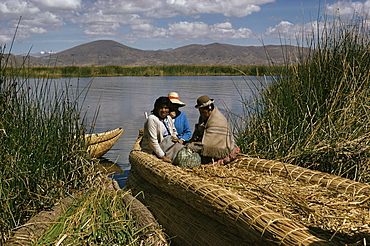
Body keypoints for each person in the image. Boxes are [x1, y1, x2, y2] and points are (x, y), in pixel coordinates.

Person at [188, 95, 239, 165]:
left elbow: (211, 145)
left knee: (192, 148)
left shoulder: (218, 120)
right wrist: (196, 137)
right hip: (204, 143)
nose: (201, 114)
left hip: (221, 149)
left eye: (203, 112)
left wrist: (194, 145)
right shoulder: (203, 117)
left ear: (209, 109)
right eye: (200, 111)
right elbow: (199, 130)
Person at [140, 96, 183, 163]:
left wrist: (175, 137)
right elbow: (153, 141)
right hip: (155, 150)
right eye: (161, 108)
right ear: (157, 108)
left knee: (185, 152)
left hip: (169, 145)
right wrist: (162, 156)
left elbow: (173, 131)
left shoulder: (168, 118)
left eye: (166, 108)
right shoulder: (152, 119)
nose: (163, 110)